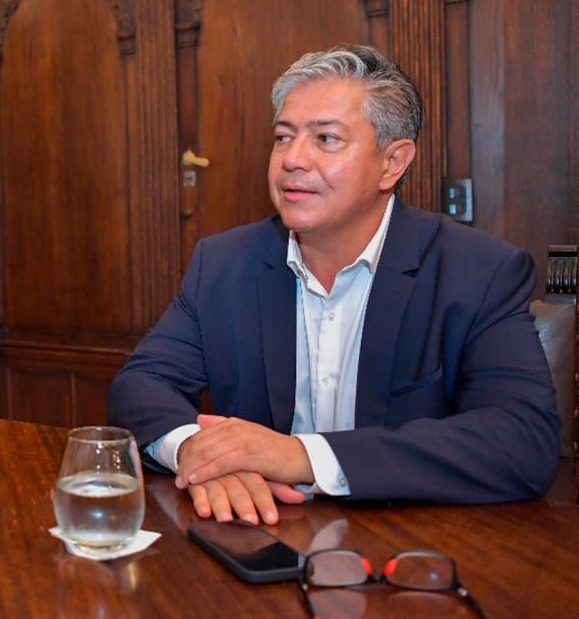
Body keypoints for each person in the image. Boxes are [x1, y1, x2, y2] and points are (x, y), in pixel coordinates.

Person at [108, 45, 558, 526]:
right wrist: (198, 452)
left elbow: (522, 441)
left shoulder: (478, 271)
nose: (292, 160)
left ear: (393, 162)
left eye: (325, 139)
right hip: (262, 536)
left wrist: (300, 456)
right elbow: (141, 384)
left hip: (411, 549)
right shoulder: (224, 263)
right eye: (283, 138)